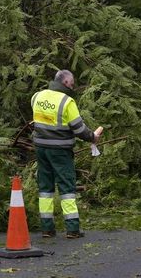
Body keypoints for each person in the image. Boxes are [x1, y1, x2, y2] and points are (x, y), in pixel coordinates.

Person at [31, 69, 101, 239]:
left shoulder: (37, 97)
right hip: (60, 151)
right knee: (66, 187)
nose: (73, 86)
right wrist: (93, 137)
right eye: (72, 83)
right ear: (66, 83)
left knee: (45, 189)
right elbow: (79, 129)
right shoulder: (67, 101)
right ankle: (72, 229)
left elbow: (41, 120)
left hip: (41, 149)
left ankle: (47, 228)